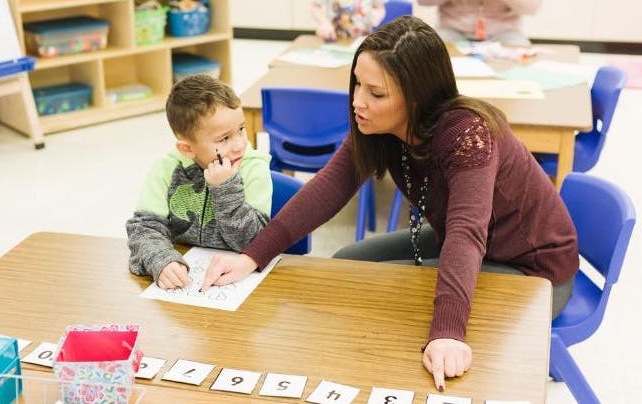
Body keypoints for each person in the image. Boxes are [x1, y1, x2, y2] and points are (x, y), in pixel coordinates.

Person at [200, 16, 577, 391]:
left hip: (533, 268)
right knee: (348, 262)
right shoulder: (379, 127)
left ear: (418, 98)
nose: (357, 102)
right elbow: (325, 189)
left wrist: (447, 332)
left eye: (375, 94)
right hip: (472, 243)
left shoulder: (468, 136)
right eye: (357, 85)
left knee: (390, 293)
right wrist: (251, 256)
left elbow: (466, 234)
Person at [126, 74, 272, 290]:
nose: (239, 145)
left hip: (241, 283)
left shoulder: (254, 169)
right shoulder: (167, 169)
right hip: (187, 283)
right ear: (187, 149)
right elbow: (144, 227)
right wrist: (161, 260)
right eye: (224, 138)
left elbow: (256, 242)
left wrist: (226, 189)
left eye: (241, 129)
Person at [417, 0, 541, 46]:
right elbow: (423, 1)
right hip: (453, 30)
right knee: (433, 54)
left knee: (522, 55)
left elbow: (532, 7)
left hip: (504, 32)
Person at [311, 0, 387, 41]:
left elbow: (379, 7)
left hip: (363, 40)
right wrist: (324, 23)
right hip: (336, 38)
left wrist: (377, 17)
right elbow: (315, 6)